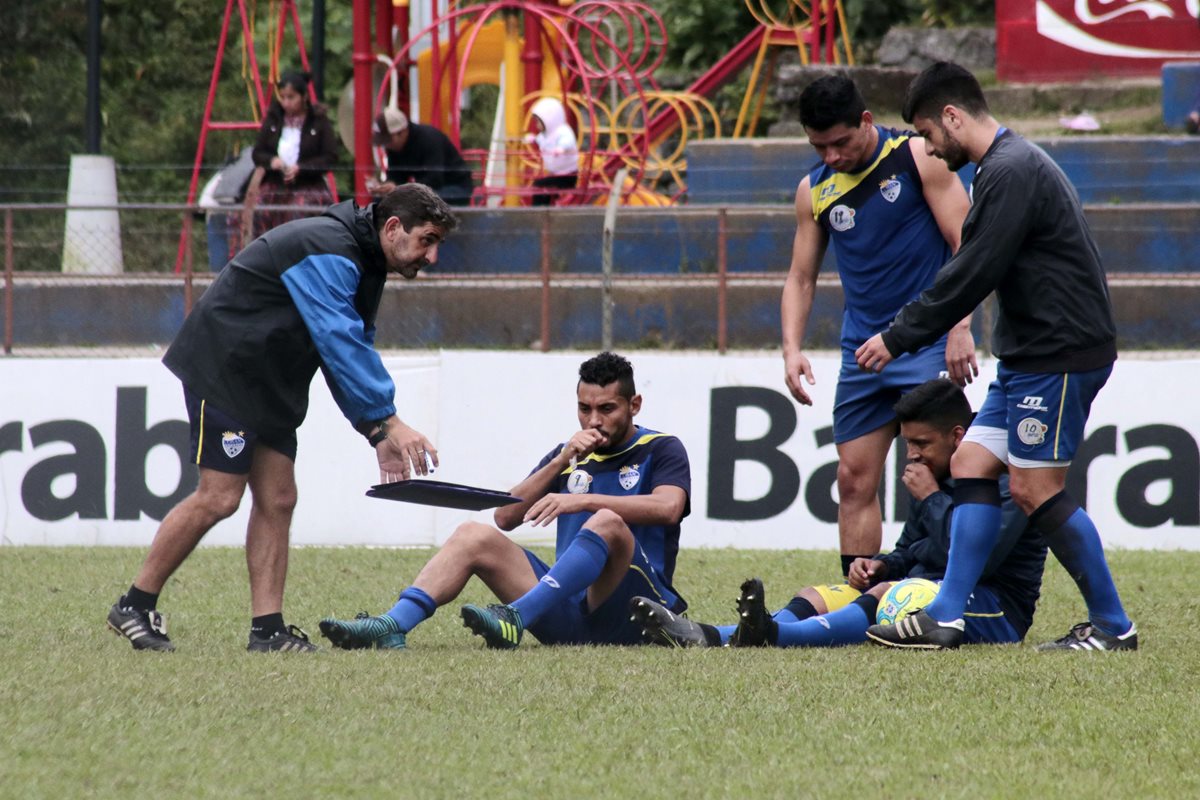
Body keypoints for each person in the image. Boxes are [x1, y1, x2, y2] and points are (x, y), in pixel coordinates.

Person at [855, 62, 1137, 652]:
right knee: (971, 464)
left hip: (1058, 355)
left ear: (953, 117)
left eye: (929, 136)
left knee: (1034, 490)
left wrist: (898, 335)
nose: (930, 149)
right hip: (1027, 357)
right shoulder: (1006, 167)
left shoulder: (1010, 171)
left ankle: (1114, 627)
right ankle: (948, 616)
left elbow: (973, 270)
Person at [105, 184, 458, 653]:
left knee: (279, 497)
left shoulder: (368, 263)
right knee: (220, 496)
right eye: (427, 240)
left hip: (269, 379)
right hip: (227, 368)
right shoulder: (329, 248)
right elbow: (340, 341)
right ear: (393, 228)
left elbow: (346, 350)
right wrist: (390, 421)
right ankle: (134, 604)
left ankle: (267, 630)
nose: (431, 256)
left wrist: (375, 430)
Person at [631, 379, 1047, 649]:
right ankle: (713, 635)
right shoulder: (933, 471)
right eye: (908, 444)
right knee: (818, 594)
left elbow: (981, 557)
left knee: (891, 594)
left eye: (922, 443)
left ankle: (773, 637)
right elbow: (914, 548)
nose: (913, 454)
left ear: (958, 436)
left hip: (997, 608)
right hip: (927, 585)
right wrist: (882, 564)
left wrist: (934, 497)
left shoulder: (1004, 471)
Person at [318, 351, 692, 651]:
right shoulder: (570, 454)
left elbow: (669, 507)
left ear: (635, 405)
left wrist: (584, 501)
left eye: (606, 409)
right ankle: (392, 625)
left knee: (607, 521)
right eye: (584, 408)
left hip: (637, 612)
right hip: (568, 612)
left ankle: (515, 616)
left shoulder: (661, 449)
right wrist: (561, 461)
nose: (592, 421)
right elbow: (506, 516)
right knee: (472, 534)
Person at [780, 73, 975, 579]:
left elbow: (967, 243)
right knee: (852, 478)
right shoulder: (814, 190)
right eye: (819, 145)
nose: (831, 156)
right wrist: (792, 349)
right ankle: (859, 591)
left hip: (927, 344)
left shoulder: (917, 157)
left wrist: (960, 326)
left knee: (940, 471)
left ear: (866, 121)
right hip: (863, 353)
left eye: (840, 142)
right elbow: (801, 278)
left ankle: (946, 586)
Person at [246, 70, 340, 240]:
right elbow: (258, 153)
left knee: (299, 214)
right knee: (261, 211)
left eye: (291, 97)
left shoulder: (318, 121)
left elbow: (330, 157)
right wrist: (272, 161)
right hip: (275, 183)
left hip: (309, 184)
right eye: (283, 97)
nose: (286, 103)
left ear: (303, 96)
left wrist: (302, 169)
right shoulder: (273, 119)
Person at [368, 107, 474, 207]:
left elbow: (434, 180)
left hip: (455, 188)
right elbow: (395, 176)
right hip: (428, 190)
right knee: (381, 202)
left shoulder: (430, 139)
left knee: (417, 203)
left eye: (388, 140)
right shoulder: (394, 148)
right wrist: (387, 187)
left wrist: (400, 189)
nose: (387, 145)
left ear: (402, 132)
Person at [527, 96, 579, 206]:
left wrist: (561, 148)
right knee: (540, 185)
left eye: (538, 122)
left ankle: (540, 210)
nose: (536, 125)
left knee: (539, 185)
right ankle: (543, 208)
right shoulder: (547, 134)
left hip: (567, 176)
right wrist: (533, 139)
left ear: (549, 119)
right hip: (557, 174)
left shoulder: (563, 131)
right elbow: (542, 140)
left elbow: (568, 141)